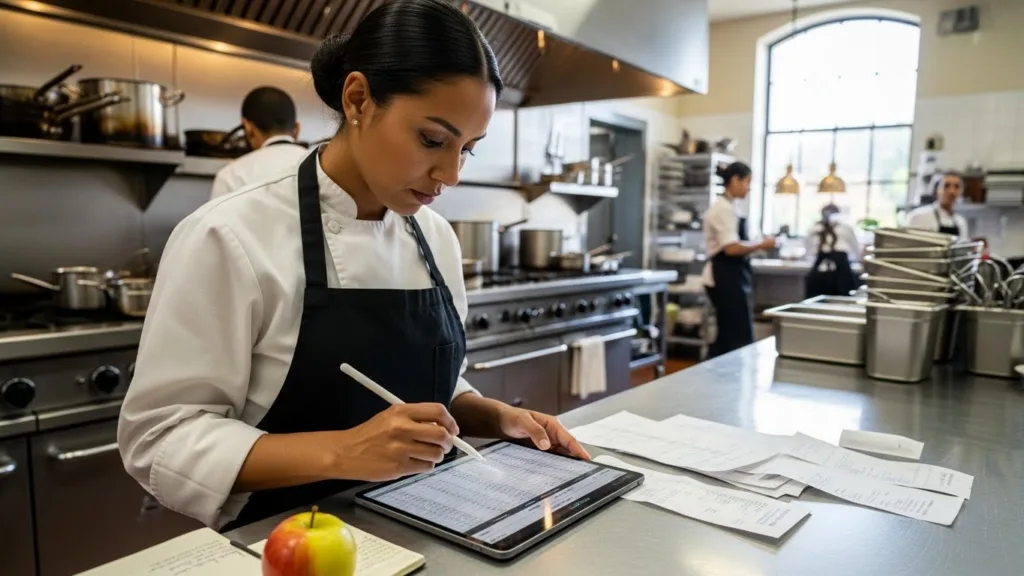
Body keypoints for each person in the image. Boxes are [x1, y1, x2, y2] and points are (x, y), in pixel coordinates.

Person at [118, 0, 589, 532]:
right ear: (359, 98)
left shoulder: (436, 237)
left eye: (468, 150)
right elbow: (160, 437)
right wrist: (342, 452)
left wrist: (492, 417)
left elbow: (428, 381)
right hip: (292, 541)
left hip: (436, 525)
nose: (451, 174)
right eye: (432, 140)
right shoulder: (230, 236)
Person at [702, 162, 776, 358]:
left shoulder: (731, 207)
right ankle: (720, 378)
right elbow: (732, 248)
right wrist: (761, 245)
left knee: (734, 332)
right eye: (747, 182)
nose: (748, 188)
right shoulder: (722, 209)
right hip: (724, 276)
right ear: (735, 180)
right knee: (733, 335)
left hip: (733, 276)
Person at [209, 86, 308, 200]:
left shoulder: (232, 175)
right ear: (297, 129)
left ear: (248, 128)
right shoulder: (321, 165)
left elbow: (219, 217)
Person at [804, 203, 859, 298]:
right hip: (824, 264)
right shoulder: (815, 229)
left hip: (838, 266)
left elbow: (808, 249)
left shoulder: (845, 229)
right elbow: (855, 249)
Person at [905, 172, 969, 239]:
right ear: (936, 190)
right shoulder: (918, 217)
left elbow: (963, 246)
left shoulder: (961, 222)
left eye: (956, 186)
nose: (952, 191)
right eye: (946, 186)